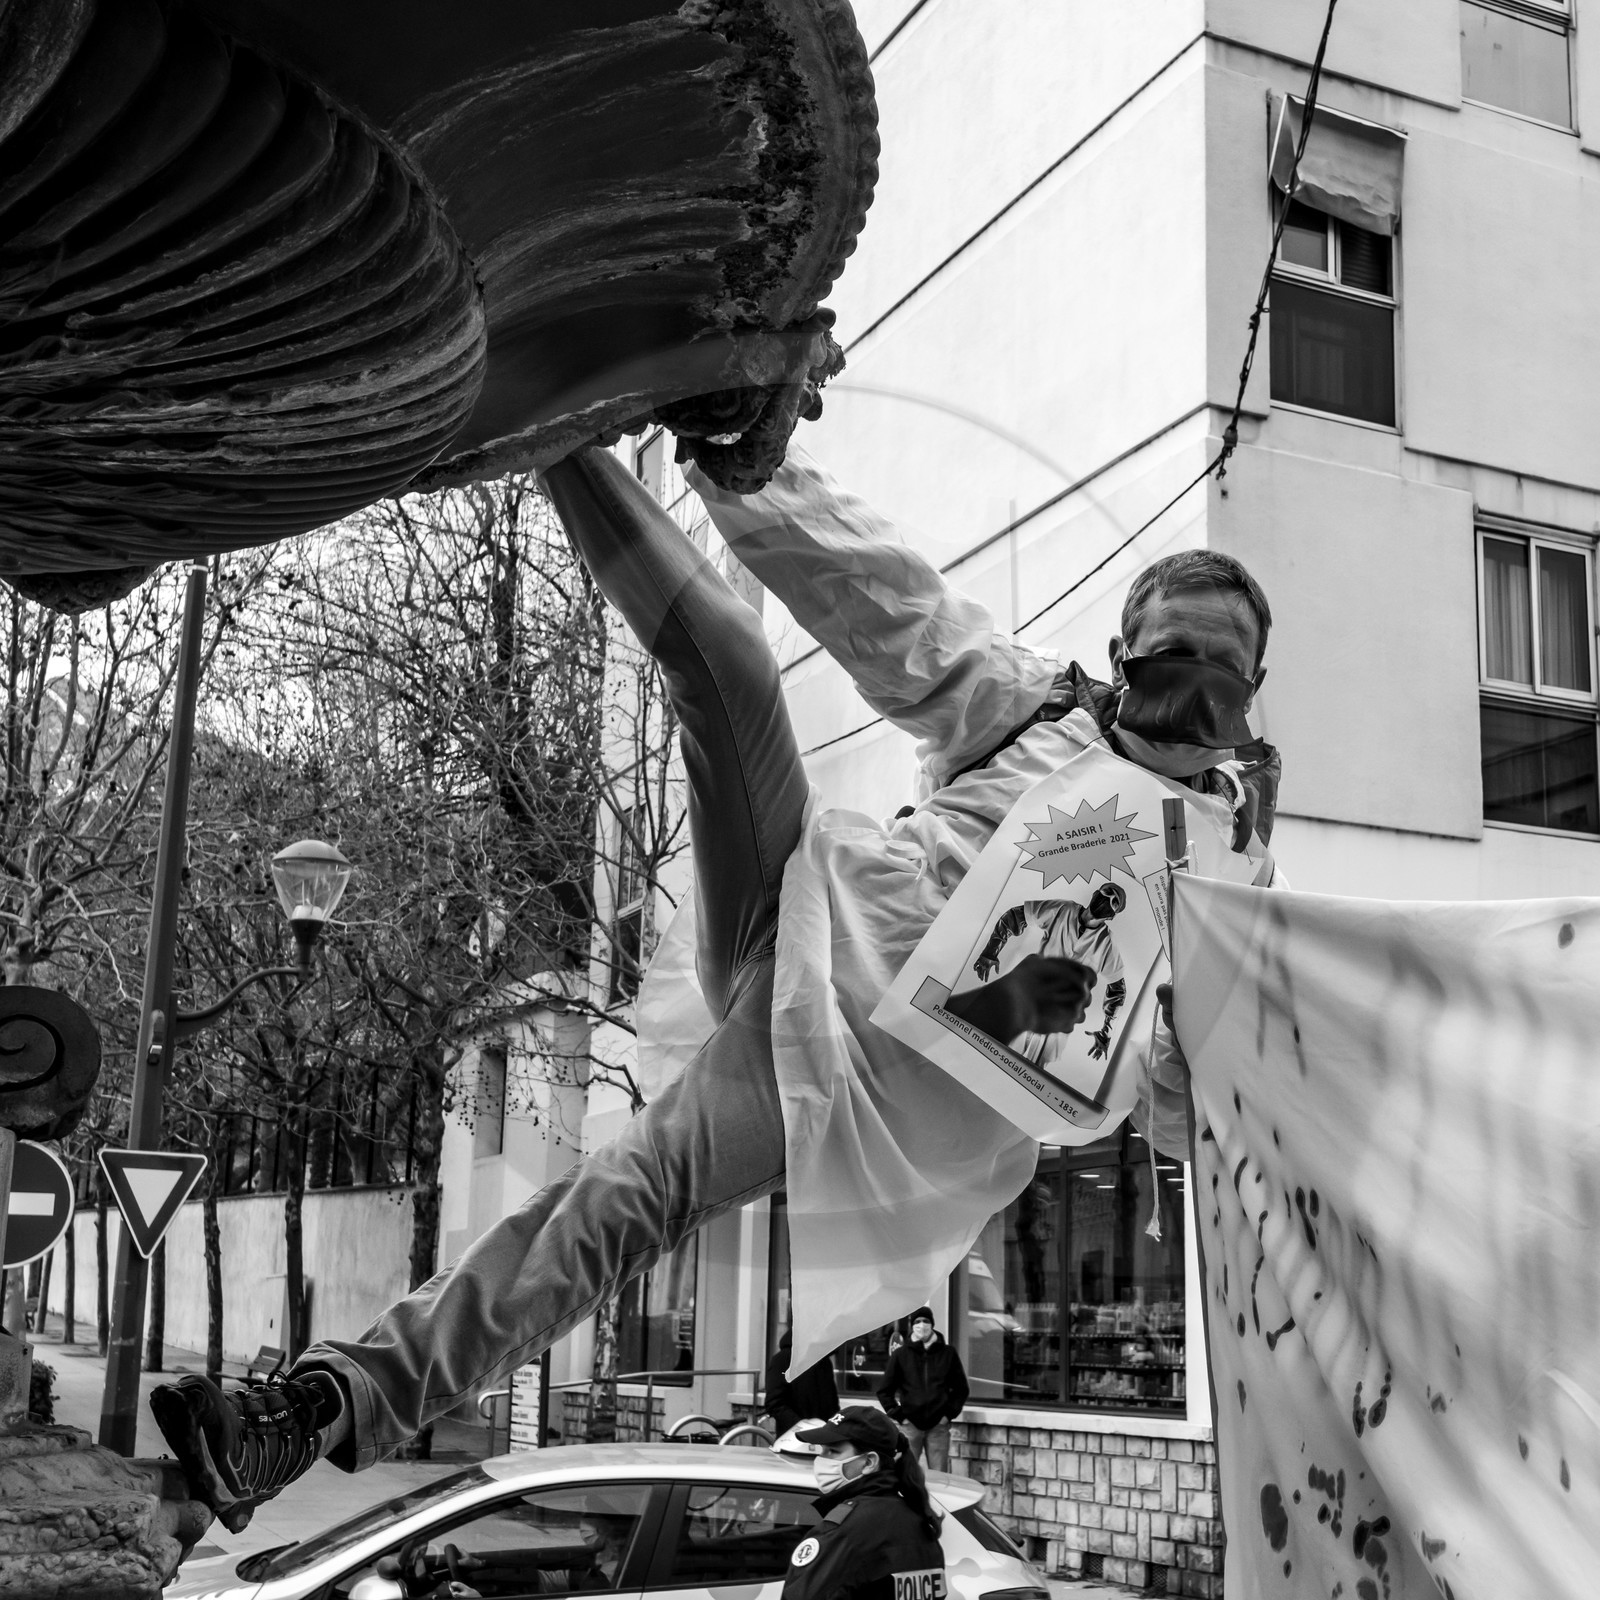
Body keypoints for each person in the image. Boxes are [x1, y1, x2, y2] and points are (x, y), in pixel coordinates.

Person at [151, 438, 1278, 1534]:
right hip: (795, 923)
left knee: (623, 1197)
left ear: (1252, 688)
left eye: (1219, 667)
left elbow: (1197, 1101)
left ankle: (322, 1405)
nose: (1191, 684)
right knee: (725, 660)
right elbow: (875, 589)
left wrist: (1234, 1112)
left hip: (843, 1084)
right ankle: (559, 414)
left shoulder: (1221, 878)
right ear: (1123, 653)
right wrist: (738, 449)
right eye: (1168, 653)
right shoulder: (1030, 709)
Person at [783, 1407, 946, 1600]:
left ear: (869, 1462)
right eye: (822, 1451)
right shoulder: (920, 1522)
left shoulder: (843, 1533)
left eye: (833, 1451)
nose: (821, 1460)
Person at [968, 884, 1128, 1063]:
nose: (1107, 900)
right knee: (994, 1051)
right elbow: (1016, 916)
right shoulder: (1063, 909)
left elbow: (1118, 990)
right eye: (1107, 893)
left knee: (1033, 1073)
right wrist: (991, 951)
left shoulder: (1106, 943)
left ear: (1113, 915)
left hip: (1059, 1016)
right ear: (1096, 893)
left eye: (1115, 902)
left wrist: (1106, 1031)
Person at [875, 1307, 968, 1470]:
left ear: (932, 1324)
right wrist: (900, 1416)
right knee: (905, 1473)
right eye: (917, 1322)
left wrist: (947, 1415)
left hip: (938, 1426)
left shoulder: (948, 1353)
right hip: (910, 1426)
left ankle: (936, 1498)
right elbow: (884, 1391)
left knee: (939, 1475)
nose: (922, 1325)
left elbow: (961, 1389)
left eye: (926, 1321)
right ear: (912, 1326)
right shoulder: (901, 1355)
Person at [767, 1329, 841, 1434]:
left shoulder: (824, 1362)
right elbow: (774, 1402)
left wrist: (833, 1428)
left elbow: (832, 1403)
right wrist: (801, 1426)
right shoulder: (783, 1359)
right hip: (793, 1437)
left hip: (823, 1436)